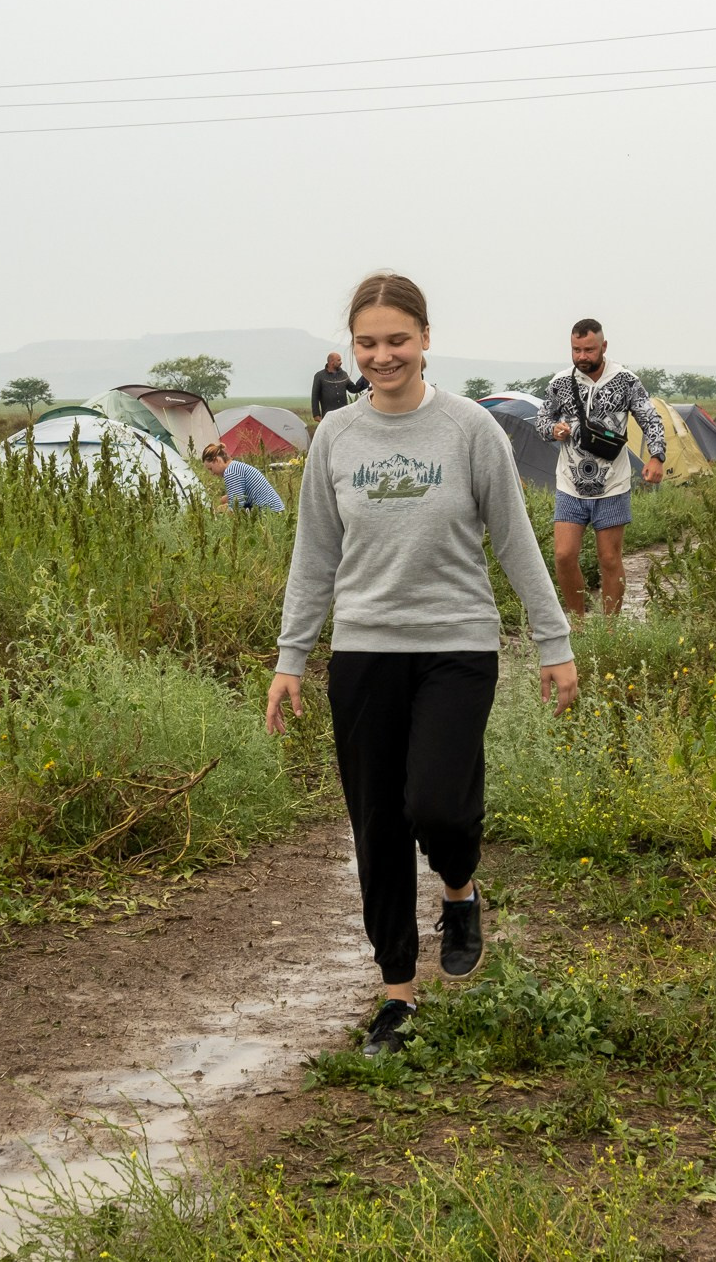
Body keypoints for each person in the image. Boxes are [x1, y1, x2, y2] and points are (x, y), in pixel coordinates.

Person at [266, 273, 578, 1058]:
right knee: (376, 824)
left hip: (456, 647)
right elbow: (314, 553)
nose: (381, 356)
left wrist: (554, 642)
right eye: (367, 343)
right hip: (366, 651)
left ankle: (460, 887)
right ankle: (397, 996)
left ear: (426, 338)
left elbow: (514, 539)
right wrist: (291, 656)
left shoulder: (471, 430)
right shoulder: (336, 437)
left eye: (396, 340)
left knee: (436, 803)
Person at [534, 320, 668, 620]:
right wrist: (553, 429)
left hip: (613, 485)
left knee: (609, 559)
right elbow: (541, 420)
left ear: (603, 347)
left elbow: (650, 418)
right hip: (569, 484)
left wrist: (656, 456)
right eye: (576, 350)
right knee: (564, 555)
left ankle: (610, 630)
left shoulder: (626, 380)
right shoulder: (560, 382)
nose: (582, 356)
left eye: (589, 350)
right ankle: (579, 623)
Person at [200, 442, 285, 512]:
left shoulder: (231, 472)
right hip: (276, 509)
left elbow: (237, 507)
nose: (212, 473)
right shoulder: (235, 467)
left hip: (270, 512)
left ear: (217, 460)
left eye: (211, 469)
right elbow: (239, 496)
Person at [309, 350, 368, 421]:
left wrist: (366, 375)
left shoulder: (344, 374)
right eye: (339, 360)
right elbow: (315, 396)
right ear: (331, 362)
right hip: (328, 416)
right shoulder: (319, 376)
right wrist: (316, 414)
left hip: (344, 415)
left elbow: (353, 389)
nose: (341, 362)